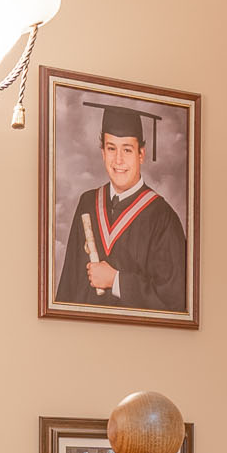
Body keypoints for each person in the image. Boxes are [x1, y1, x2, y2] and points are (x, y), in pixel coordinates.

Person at [55, 101, 190, 313]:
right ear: (102, 152)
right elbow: (68, 286)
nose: (118, 160)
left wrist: (115, 280)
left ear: (141, 154)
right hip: (84, 330)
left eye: (127, 149)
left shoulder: (162, 217)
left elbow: (173, 301)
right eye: (111, 148)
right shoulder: (87, 204)